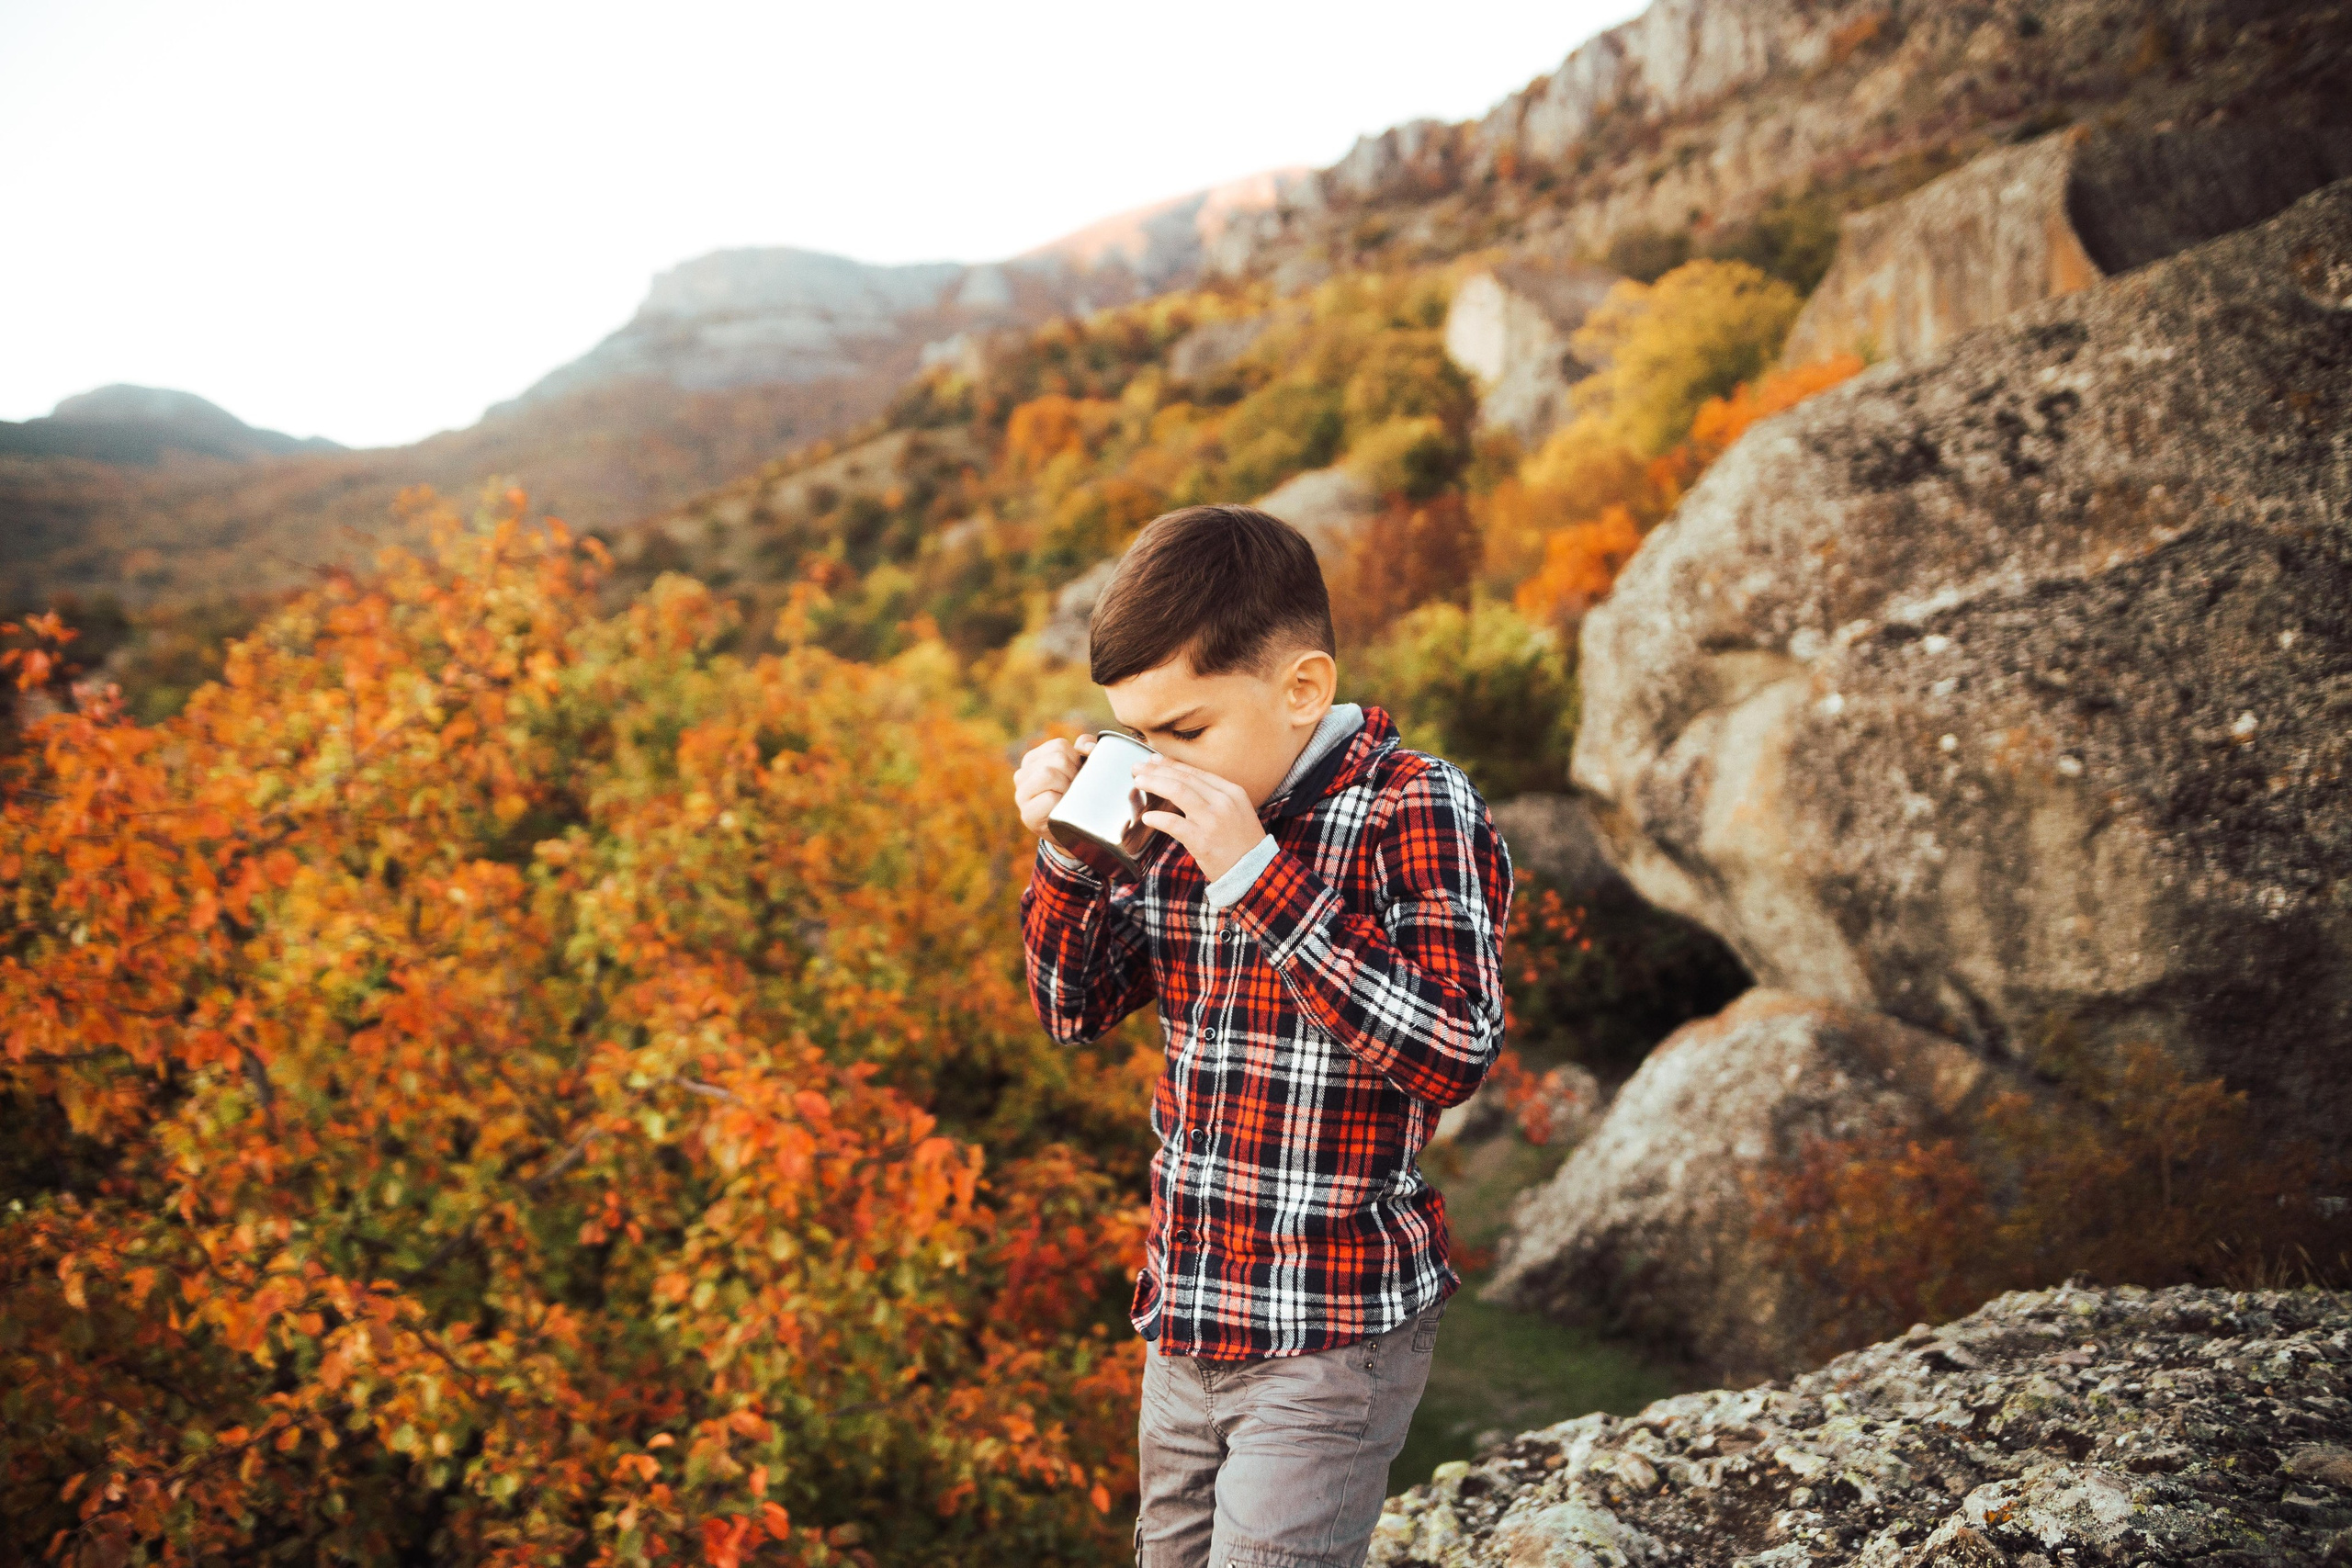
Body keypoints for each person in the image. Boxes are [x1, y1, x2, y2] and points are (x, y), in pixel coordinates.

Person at [1010, 502, 1515, 1568]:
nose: (1155, 766)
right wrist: (1068, 853)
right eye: (1136, 737)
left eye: (1184, 732)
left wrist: (1255, 875)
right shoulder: (1169, 816)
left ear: (1302, 690)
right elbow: (1070, 1008)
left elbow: (1455, 1048)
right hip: (1185, 1317)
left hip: (1328, 1327)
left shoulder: (1413, 805)